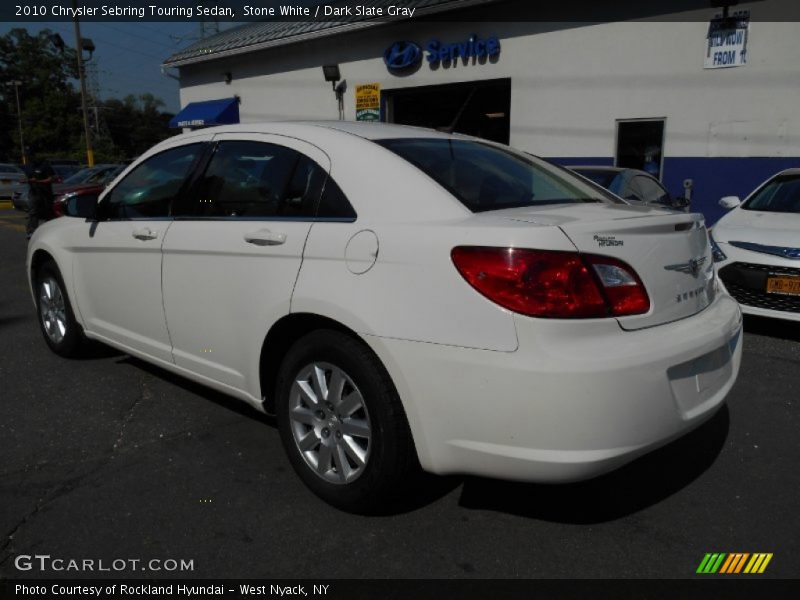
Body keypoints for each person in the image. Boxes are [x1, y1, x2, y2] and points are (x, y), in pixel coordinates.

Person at [26, 164, 54, 239]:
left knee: (48, 212)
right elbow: (27, 178)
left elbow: (50, 179)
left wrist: (38, 181)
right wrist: (27, 181)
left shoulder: (46, 166)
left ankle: (49, 231)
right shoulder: (29, 167)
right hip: (34, 193)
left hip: (45, 193)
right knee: (33, 212)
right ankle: (31, 232)